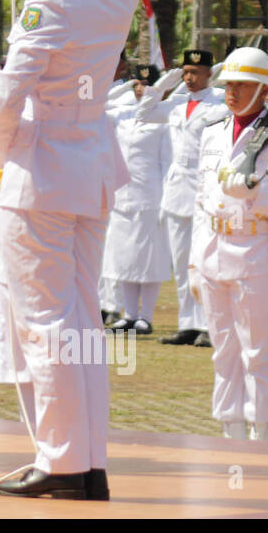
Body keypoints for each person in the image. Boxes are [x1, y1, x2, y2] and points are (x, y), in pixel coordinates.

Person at [0, 0, 138, 500]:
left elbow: (8, 90)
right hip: (89, 168)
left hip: (42, 167)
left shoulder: (50, 1)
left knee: (44, 322)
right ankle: (88, 459)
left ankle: (59, 462)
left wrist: (5, 153)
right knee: (82, 322)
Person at [190, 47, 268, 440]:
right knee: (223, 351)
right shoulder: (212, 132)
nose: (232, 92)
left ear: (266, 91)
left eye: (243, 85)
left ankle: (261, 436)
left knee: (257, 352)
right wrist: (194, 262)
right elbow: (200, 200)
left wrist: (254, 193)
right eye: (229, 84)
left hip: (256, 250)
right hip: (212, 250)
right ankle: (230, 433)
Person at [135, 49, 226, 346]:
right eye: (186, 72)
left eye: (195, 72)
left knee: (204, 261)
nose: (189, 78)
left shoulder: (220, 103)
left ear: (209, 73)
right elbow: (144, 113)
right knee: (181, 261)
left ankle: (208, 323)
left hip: (204, 187)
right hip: (176, 190)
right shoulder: (176, 103)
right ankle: (187, 322)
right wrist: (160, 86)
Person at [102, 65, 173, 335]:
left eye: (146, 84)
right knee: (124, 257)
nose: (140, 89)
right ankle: (128, 314)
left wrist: (165, 199)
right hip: (123, 195)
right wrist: (123, 86)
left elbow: (168, 162)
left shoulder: (162, 120)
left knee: (148, 258)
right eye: (137, 85)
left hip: (150, 195)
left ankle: (146, 315)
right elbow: (100, 107)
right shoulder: (123, 115)